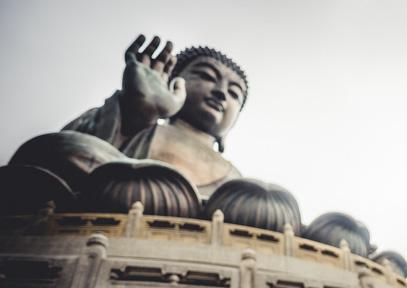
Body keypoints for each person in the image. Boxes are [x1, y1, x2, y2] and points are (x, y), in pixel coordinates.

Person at [11, 35, 248, 197]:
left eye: (234, 93)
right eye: (206, 77)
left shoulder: (234, 176)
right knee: (56, 148)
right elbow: (60, 154)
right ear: (172, 81)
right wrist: (137, 110)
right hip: (120, 199)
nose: (221, 92)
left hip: (189, 214)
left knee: (268, 201)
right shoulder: (136, 123)